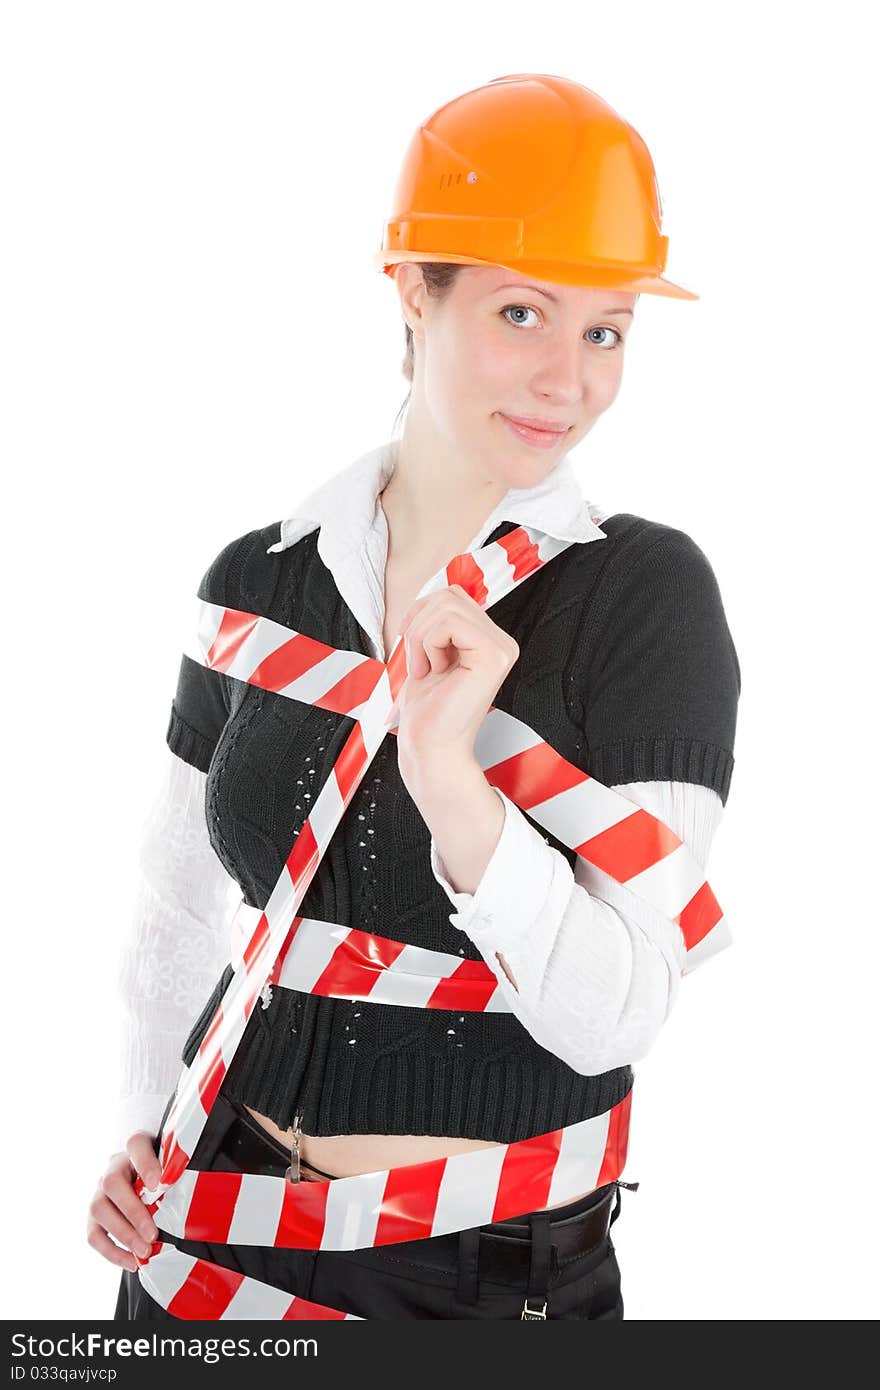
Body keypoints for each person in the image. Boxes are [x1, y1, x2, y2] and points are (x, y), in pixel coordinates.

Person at [87, 72, 740, 1321]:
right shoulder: (258, 582)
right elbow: (178, 903)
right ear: (411, 292)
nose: (569, 379)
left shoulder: (643, 597)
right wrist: (141, 1117)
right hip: (202, 1242)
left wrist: (455, 786)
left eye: (605, 330)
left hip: (479, 1288)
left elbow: (616, 1011)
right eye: (520, 314)